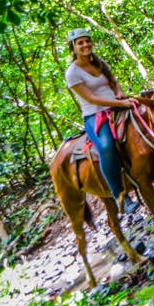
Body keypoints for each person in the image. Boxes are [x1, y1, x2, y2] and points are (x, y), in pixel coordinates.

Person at [64, 28, 139, 213]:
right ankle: (119, 194)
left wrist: (120, 94)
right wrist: (117, 103)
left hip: (116, 105)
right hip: (95, 115)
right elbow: (91, 98)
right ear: (73, 47)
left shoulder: (98, 62)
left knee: (147, 119)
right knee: (106, 146)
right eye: (80, 43)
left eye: (87, 41)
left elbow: (113, 82)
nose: (85, 45)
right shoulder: (72, 73)